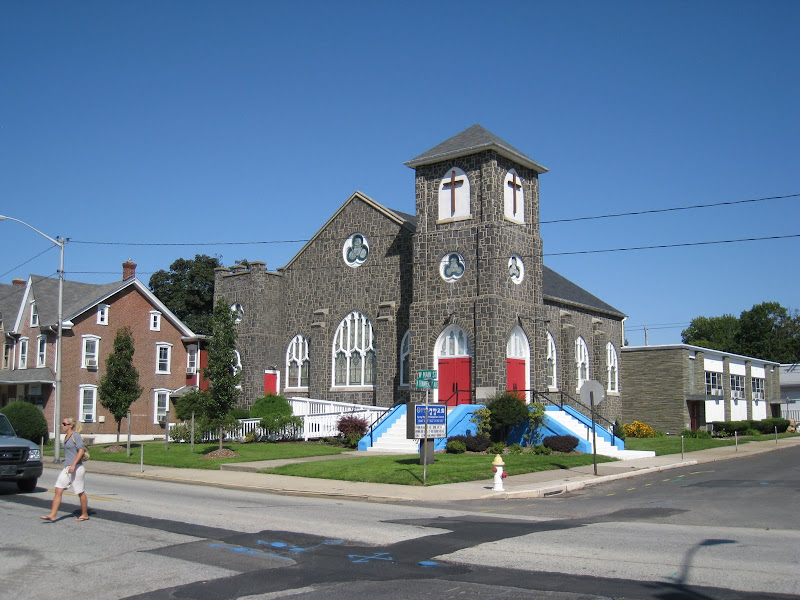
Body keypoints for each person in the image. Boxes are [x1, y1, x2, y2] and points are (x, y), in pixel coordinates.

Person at [40, 417, 89, 522]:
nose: (62, 425)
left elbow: (81, 451)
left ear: (71, 425)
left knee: (80, 491)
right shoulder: (66, 436)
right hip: (67, 467)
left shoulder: (76, 436)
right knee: (58, 489)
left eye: (64, 424)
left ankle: (84, 514)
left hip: (77, 468)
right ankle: (52, 515)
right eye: (62, 424)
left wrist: (73, 465)